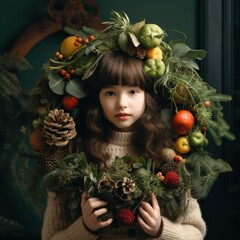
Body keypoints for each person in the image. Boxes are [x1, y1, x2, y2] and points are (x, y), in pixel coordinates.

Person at [41, 51, 206, 240]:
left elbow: (195, 232)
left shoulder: (169, 154)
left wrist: (160, 229)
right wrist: (85, 228)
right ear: (98, 98)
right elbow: (50, 237)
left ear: (147, 96)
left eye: (133, 92)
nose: (121, 103)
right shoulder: (74, 153)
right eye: (110, 93)